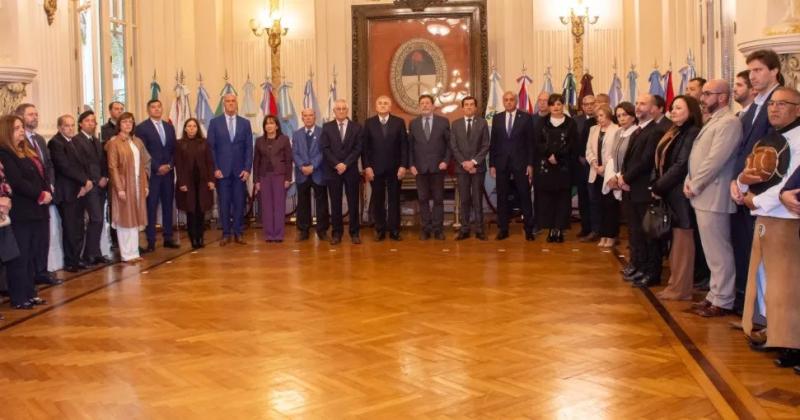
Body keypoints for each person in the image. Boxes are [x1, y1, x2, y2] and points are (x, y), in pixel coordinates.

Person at [737, 87, 800, 368]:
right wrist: (741, 184)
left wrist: (755, 201)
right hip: (765, 215)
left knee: (786, 285)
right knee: (766, 279)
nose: (774, 109)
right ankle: (774, 333)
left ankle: (791, 342)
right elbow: (752, 170)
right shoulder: (770, 138)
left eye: (782, 104)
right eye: (772, 104)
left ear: (798, 109)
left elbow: (790, 183)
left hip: (785, 217)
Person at [730, 49, 783, 315]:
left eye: (758, 70)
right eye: (750, 71)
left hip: (765, 192)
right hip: (744, 188)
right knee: (745, 250)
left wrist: (748, 185)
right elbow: (743, 149)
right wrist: (735, 182)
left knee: (764, 259)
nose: (753, 76)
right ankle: (748, 308)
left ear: (774, 71)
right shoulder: (756, 104)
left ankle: (764, 317)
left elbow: (772, 152)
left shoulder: (779, 103)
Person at [684, 79, 743, 317]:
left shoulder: (729, 122)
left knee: (719, 251)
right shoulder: (714, 121)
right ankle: (713, 294)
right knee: (711, 251)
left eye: (707, 93)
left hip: (714, 194)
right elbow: (698, 157)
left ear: (722, 97)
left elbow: (715, 160)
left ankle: (723, 299)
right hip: (704, 194)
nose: (702, 98)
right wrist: (690, 179)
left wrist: (696, 184)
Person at [652, 96, 703, 301]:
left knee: (683, 243)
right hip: (669, 193)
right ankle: (674, 284)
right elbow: (660, 161)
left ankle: (681, 289)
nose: (673, 111)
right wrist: (656, 183)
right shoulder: (675, 131)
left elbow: (681, 165)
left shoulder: (691, 133)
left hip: (680, 196)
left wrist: (658, 186)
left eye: (679, 108)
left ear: (691, 111)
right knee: (676, 243)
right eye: (672, 107)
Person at [0, 115, 52, 309]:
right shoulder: (5, 153)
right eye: (16, 128)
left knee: (32, 253)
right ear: (7, 132)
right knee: (20, 256)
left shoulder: (25, 151)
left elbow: (41, 174)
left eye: (22, 127)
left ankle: (30, 292)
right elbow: (17, 182)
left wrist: (46, 190)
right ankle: (19, 296)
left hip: (36, 209)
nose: (21, 130)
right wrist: (39, 194)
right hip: (21, 211)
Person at [618, 94, 667, 287]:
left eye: (643, 104)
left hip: (642, 189)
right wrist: (622, 177)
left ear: (654, 108)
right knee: (636, 232)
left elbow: (645, 161)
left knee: (649, 234)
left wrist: (626, 178)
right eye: (637, 103)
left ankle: (651, 272)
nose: (638, 107)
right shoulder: (638, 131)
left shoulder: (654, 131)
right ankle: (639, 266)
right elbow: (629, 160)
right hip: (630, 188)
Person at [15, 103, 57, 286]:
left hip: (45, 193)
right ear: (21, 117)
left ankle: (42, 270)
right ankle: (32, 273)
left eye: (36, 114)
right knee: (29, 240)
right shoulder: (17, 145)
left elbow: (47, 164)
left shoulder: (39, 139)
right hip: (29, 199)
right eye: (31, 114)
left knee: (43, 236)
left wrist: (51, 185)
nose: (35, 117)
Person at [207, 94, 253, 246]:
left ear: (237, 103)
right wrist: (215, 168)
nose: (231, 103)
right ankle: (226, 233)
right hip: (222, 172)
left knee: (240, 203)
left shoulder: (245, 123)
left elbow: (248, 148)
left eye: (233, 101)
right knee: (224, 203)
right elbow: (211, 149)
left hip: (240, 172)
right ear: (223, 104)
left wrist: (247, 169)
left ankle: (238, 233)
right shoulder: (215, 123)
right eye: (228, 101)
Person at [48, 114, 92, 272]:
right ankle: (70, 261)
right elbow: (64, 166)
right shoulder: (55, 143)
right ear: (60, 127)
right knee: (70, 228)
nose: (71, 128)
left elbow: (84, 164)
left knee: (80, 226)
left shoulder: (74, 142)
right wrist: (84, 181)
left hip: (80, 190)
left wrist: (85, 183)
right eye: (67, 126)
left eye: (72, 125)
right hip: (67, 192)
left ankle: (77, 258)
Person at [106, 112, 151, 263]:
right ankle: (126, 254)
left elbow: (144, 165)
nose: (128, 125)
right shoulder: (114, 142)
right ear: (119, 124)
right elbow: (112, 167)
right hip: (124, 186)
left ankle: (134, 252)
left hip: (137, 185)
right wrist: (119, 188)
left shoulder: (137, 141)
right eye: (125, 122)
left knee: (134, 218)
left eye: (130, 122)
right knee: (125, 219)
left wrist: (145, 185)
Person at [362, 95, 408, 241]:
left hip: (395, 169)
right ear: (376, 107)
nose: (382, 105)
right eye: (380, 103)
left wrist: (403, 166)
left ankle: (394, 229)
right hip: (375, 169)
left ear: (390, 106)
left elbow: (404, 147)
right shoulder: (369, 123)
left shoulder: (399, 122)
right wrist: (367, 167)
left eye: (385, 103)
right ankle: (380, 229)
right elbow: (365, 148)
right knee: (378, 200)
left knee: (394, 200)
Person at [490, 91, 535, 241]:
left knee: (524, 195)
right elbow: (493, 144)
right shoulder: (497, 118)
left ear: (516, 102)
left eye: (511, 100)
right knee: (502, 196)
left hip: (520, 163)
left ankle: (529, 229)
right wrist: (492, 164)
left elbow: (530, 143)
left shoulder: (526, 118)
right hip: (501, 163)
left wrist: (530, 164)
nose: (508, 102)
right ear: (503, 102)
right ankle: (503, 228)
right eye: (506, 100)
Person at [135, 99, 178, 252]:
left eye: (159, 107)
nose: (157, 109)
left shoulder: (169, 127)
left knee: (168, 205)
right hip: (152, 175)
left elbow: (174, 149)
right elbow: (143, 151)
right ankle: (151, 240)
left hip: (167, 173)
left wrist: (170, 165)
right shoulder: (141, 128)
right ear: (148, 110)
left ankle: (168, 237)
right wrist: (156, 167)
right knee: (151, 207)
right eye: (153, 107)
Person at [533, 94, 577, 243]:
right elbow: (537, 142)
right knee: (548, 201)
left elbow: (572, 144)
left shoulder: (571, 123)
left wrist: (557, 156)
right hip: (545, 168)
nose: (556, 107)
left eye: (558, 104)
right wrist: (549, 154)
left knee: (563, 200)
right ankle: (551, 229)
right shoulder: (541, 122)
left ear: (562, 105)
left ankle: (559, 229)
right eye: (553, 105)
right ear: (549, 107)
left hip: (564, 167)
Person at [320, 99, 363, 245]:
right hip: (333, 171)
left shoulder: (356, 127)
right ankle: (337, 233)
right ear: (334, 111)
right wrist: (337, 164)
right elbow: (325, 148)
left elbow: (358, 148)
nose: (341, 111)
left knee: (353, 203)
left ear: (347, 110)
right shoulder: (327, 127)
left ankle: (354, 232)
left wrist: (346, 163)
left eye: (344, 108)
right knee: (336, 203)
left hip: (351, 170)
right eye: (338, 109)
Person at [409, 94, 451, 240]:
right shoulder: (413, 124)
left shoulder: (443, 122)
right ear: (419, 106)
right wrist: (411, 164)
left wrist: (446, 161)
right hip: (420, 168)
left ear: (433, 106)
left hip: (438, 167)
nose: (425, 105)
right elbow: (410, 147)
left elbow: (449, 145)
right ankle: (426, 229)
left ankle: (438, 229)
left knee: (439, 199)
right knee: (423, 199)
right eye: (422, 103)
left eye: (427, 103)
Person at [451, 96, 490, 240]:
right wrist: (465, 163)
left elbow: (486, 145)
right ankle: (465, 229)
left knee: (477, 199)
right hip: (462, 169)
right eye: (466, 105)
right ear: (462, 108)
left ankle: (479, 229)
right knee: (465, 199)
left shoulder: (482, 123)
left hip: (477, 168)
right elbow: (454, 147)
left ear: (475, 107)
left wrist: (473, 162)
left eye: (471, 104)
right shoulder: (455, 124)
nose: (468, 107)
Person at [74, 110, 111, 265]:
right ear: (81, 123)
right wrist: (94, 181)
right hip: (89, 186)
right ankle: (89, 254)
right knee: (95, 219)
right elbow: (80, 165)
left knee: (100, 219)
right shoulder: (76, 141)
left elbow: (103, 162)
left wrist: (105, 176)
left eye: (93, 121)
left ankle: (95, 252)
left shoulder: (96, 140)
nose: (91, 123)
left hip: (101, 186)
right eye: (88, 120)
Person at [174, 118, 215, 249]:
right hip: (187, 183)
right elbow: (178, 165)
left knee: (201, 211)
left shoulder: (204, 143)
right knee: (191, 211)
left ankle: (200, 238)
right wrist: (181, 182)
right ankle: (193, 239)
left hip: (202, 182)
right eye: (189, 126)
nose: (192, 128)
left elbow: (209, 162)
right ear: (185, 128)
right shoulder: (180, 144)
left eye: (194, 126)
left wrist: (211, 180)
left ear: (198, 129)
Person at [605, 102, 639, 249]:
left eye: (624, 115)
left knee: (634, 218)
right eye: (618, 116)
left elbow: (632, 159)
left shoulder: (637, 132)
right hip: (619, 177)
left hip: (631, 179)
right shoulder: (618, 132)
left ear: (633, 116)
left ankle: (636, 247)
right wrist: (612, 176)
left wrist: (620, 176)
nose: (621, 118)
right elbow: (613, 156)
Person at [254, 115, 292, 243]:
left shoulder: (284, 139)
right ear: (264, 126)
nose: (269, 126)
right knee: (266, 206)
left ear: (276, 126)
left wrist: (288, 178)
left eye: (272, 123)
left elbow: (288, 160)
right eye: (267, 124)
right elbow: (256, 162)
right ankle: (269, 234)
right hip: (264, 176)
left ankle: (279, 234)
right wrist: (256, 181)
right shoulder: (259, 141)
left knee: (279, 206)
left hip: (279, 176)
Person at [585, 105, 620, 247]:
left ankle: (611, 235)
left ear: (609, 115)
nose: (599, 119)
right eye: (597, 116)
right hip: (595, 172)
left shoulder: (616, 129)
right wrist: (594, 164)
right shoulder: (593, 129)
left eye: (602, 116)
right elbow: (588, 150)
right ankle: (602, 234)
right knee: (597, 204)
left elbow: (615, 151)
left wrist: (605, 167)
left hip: (609, 172)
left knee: (610, 205)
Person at [292, 109, 329, 242]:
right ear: (302, 118)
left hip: (318, 172)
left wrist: (313, 166)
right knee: (303, 203)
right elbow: (294, 153)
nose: (308, 118)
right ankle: (304, 230)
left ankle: (322, 230)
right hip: (302, 173)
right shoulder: (296, 134)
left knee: (322, 203)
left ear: (315, 117)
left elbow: (323, 152)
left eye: (311, 115)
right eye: (305, 116)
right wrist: (302, 166)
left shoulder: (322, 132)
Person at [573, 94, 597, 240]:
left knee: (595, 198)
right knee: (583, 197)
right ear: (582, 106)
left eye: (591, 104)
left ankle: (597, 228)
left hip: (597, 166)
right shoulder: (576, 121)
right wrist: (579, 157)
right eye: (586, 104)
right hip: (581, 165)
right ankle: (586, 227)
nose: (589, 106)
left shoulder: (601, 119)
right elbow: (573, 141)